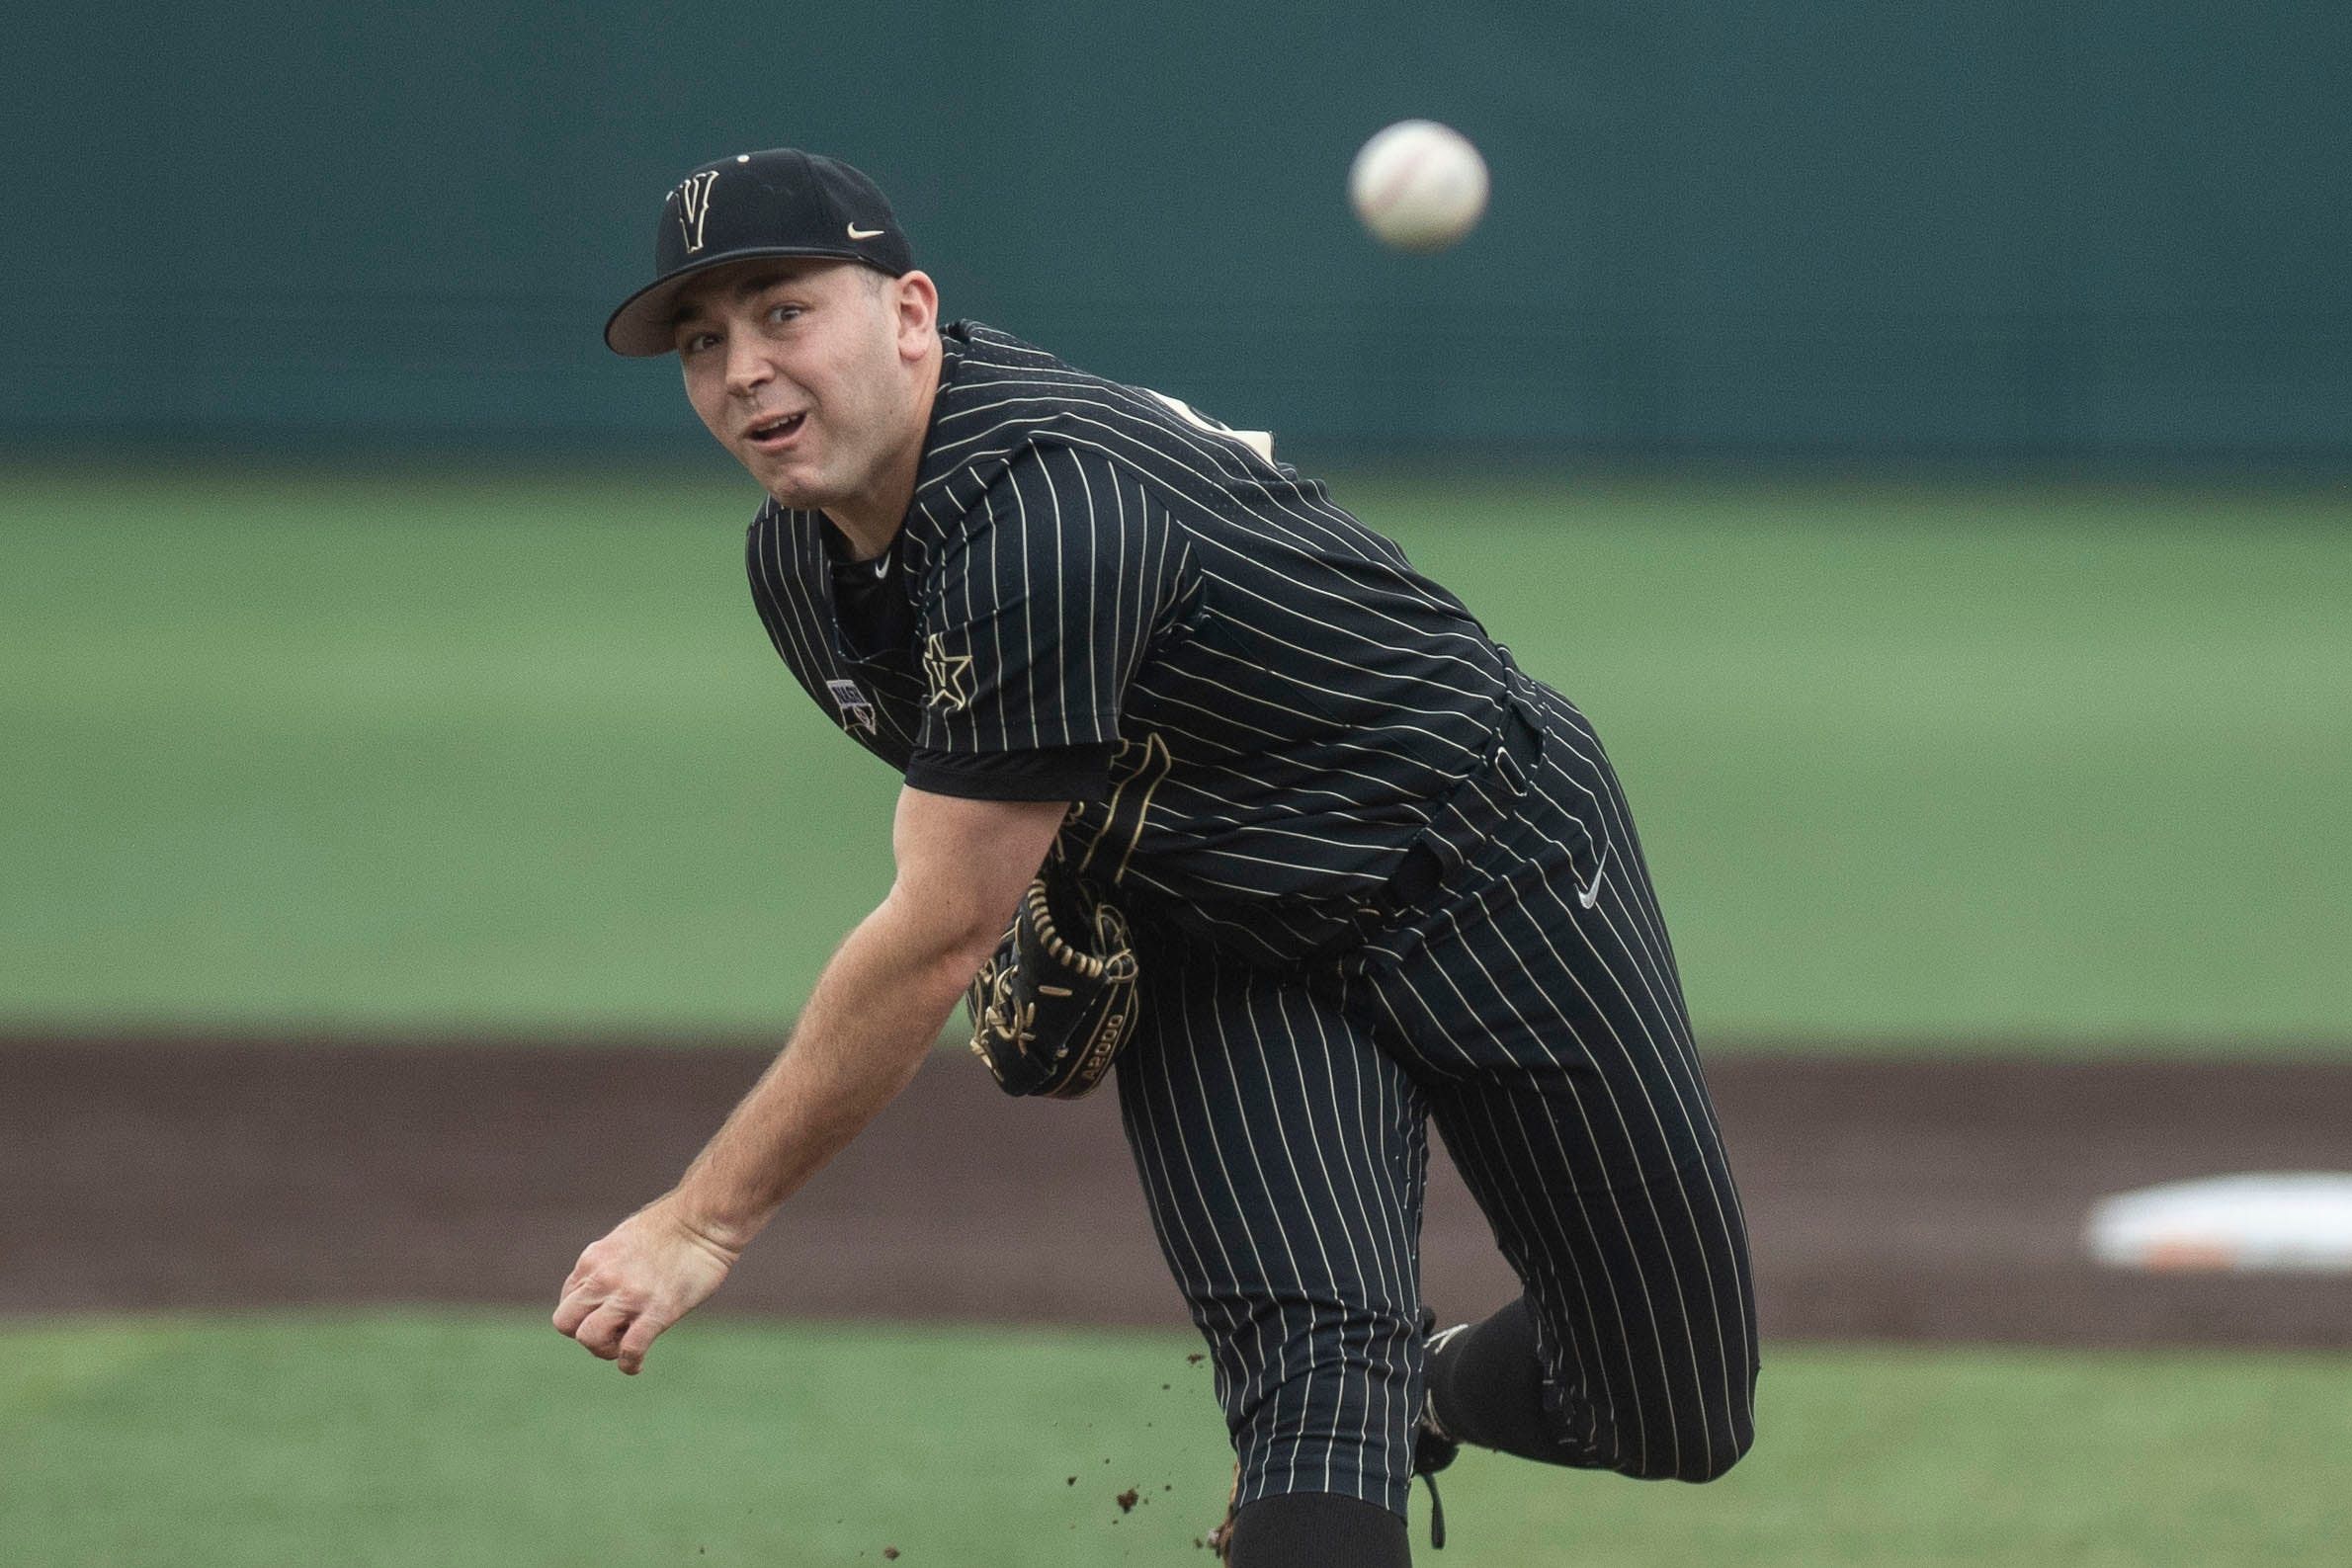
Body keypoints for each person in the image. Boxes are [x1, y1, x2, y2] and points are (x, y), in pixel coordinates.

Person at [554, 147, 1758, 1566]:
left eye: (781, 312)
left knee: (1669, 1410)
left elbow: (939, 928)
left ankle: (1421, 1386)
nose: (742, 369)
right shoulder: (801, 570)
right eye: (700, 342)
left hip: (1489, 860)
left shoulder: (1045, 515)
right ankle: (1359, 1405)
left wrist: (706, 1222)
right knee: (1316, 1388)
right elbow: (1013, 821)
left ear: (910, 313)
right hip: (1224, 940)